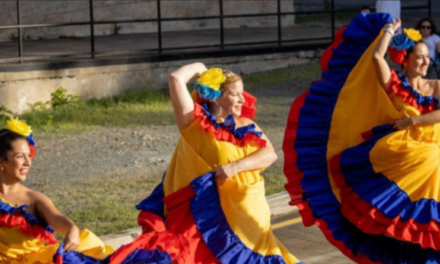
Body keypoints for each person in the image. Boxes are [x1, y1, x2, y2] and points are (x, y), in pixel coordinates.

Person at [284, 12, 440, 263]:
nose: (424, 62)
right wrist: (389, 30)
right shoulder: (396, 85)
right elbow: (377, 57)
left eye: (426, 57)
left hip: (431, 160)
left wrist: (413, 121)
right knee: (398, 224)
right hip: (403, 157)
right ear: (406, 60)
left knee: (431, 164)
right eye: (418, 57)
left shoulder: (437, 86)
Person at [109, 64, 302, 263]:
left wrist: (235, 166)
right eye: (236, 94)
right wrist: (202, 69)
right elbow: (176, 79)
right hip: (213, 217)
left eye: (242, 93)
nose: (242, 100)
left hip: (251, 214)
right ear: (216, 95)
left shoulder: (247, 124)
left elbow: (270, 154)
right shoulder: (193, 123)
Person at [0, 119, 114, 263]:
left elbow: (57, 219)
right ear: (2, 160)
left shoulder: (34, 199)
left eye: (29, 155)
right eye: (20, 156)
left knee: (69, 259)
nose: (28, 162)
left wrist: (72, 229)